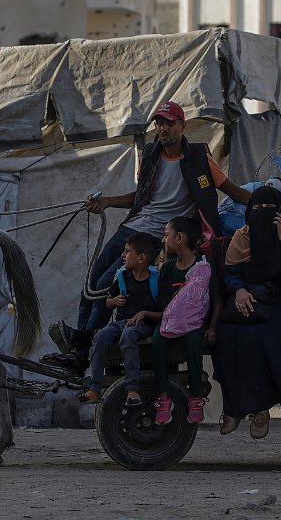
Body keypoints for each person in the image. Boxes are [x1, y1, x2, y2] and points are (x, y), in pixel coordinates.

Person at [47, 100, 251, 367]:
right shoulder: (151, 154)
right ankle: (78, 346)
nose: (163, 128)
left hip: (157, 236)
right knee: (92, 279)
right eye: (159, 123)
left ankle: (83, 349)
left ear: (182, 125)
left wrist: (266, 203)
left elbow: (232, 190)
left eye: (169, 122)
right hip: (133, 227)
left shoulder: (200, 158)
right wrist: (107, 201)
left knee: (107, 284)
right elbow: (140, 196)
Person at [212, 186, 281, 439]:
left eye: (269, 209)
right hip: (249, 298)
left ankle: (261, 409)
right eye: (256, 209)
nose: (262, 213)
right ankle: (233, 408)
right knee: (225, 333)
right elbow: (231, 274)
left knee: (263, 336)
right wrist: (239, 291)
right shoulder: (241, 238)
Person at [78, 232, 169, 404]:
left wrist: (144, 314)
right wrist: (114, 301)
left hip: (142, 325)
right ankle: (94, 388)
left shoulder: (157, 282)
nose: (122, 256)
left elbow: (166, 314)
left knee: (128, 337)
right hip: (121, 322)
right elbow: (107, 302)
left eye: (127, 251)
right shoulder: (123, 278)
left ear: (141, 258)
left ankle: (132, 389)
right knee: (102, 336)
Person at [151, 216, 215, 425]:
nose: (163, 240)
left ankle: (196, 397)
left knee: (194, 341)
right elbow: (163, 302)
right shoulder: (168, 269)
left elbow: (217, 300)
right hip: (171, 321)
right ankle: (163, 397)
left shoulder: (204, 265)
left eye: (167, 235)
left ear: (179, 238)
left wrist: (212, 326)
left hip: (196, 321)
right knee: (158, 340)